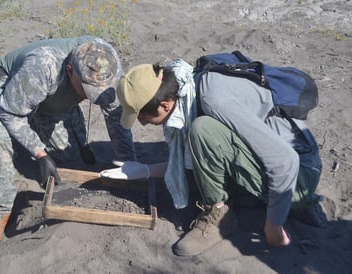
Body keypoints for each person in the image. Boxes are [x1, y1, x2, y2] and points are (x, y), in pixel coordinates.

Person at [100, 58, 327, 256]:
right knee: (201, 149)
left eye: (142, 117)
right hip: (273, 159)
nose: (141, 123)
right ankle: (278, 202)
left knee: (204, 131)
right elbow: (191, 163)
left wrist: (274, 226)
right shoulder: (186, 87)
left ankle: (221, 215)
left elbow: (285, 161)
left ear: (165, 105)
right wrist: (145, 170)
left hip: (298, 175)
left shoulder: (213, 101)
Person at [0, 36, 136, 248]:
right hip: (13, 85)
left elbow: (116, 116)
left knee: (66, 156)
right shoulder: (43, 67)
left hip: (54, 91)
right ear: (70, 70)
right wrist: (39, 153)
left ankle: (42, 116)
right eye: (88, 91)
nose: (94, 98)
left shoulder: (106, 63)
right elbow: (9, 113)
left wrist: (128, 164)